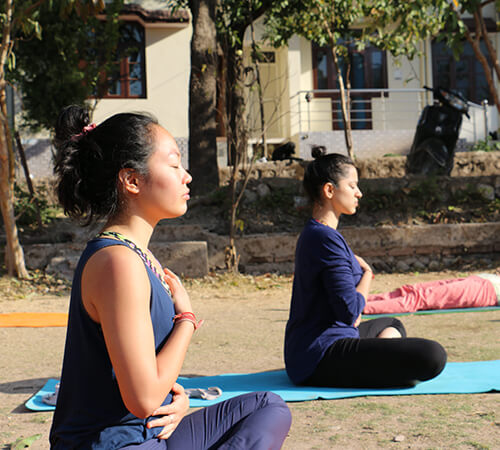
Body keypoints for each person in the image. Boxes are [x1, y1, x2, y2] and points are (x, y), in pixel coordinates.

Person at [49, 105, 291, 449]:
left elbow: (143, 378)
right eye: (175, 164)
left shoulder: (136, 256)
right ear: (132, 180)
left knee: (268, 406)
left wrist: (179, 400)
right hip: (117, 445)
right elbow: (143, 399)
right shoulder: (117, 263)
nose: (186, 175)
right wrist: (187, 321)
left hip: (149, 434)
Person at [284, 149, 447, 388]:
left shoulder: (318, 233)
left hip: (321, 345)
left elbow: (350, 315)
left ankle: (380, 365)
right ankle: (382, 367)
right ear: (329, 190)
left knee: (392, 324)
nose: (359, 193)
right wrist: (368, 275)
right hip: (320, 355)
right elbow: (350, 312)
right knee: (433, 355)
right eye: (352, 186)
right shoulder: (324, 239)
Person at [364, 273, 500, 315]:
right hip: (483, 279)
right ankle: (358, 300)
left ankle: (359, 308)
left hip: (488, 291)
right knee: (411, 291)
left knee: (419, 299)